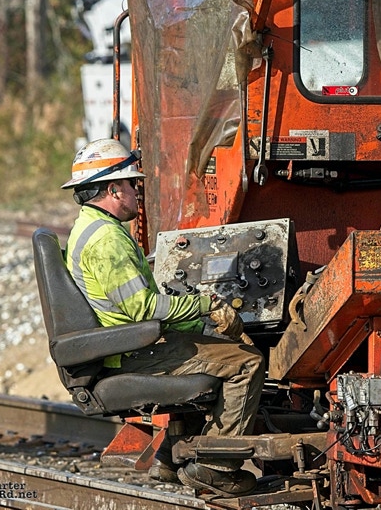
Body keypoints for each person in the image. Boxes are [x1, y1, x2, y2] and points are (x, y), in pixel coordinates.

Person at [61, 138, 265, 497]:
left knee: (209, 347)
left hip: (119, 346)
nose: (136, 192)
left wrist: (199, 325)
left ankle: (170, 459)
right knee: (246, 363)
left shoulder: (89, 227)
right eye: (132, 184)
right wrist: (207, 306)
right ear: (114, 189)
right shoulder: (107, 240)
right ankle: (217, 467)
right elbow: (143, 309)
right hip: (129, 352)